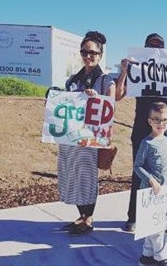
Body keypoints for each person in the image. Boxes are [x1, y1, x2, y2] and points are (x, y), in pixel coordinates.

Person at [115, 33, 167, 232]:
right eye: (150, 46)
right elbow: (117, 96)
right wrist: (124, 71)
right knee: (139, 171)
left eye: (159, 46)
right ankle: (134, 216)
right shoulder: (136, 67)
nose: (154, 49)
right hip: (142, 126)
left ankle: (166, 217)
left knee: (166, 173)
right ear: (144, 48)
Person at [57, 31, 116, 234]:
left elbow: (110, 105)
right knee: (72, 174)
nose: (88, 56)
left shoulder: (105, 80)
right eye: (84, 52)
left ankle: (88, 218)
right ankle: (81, 215)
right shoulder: (73, 79)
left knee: (87, 176)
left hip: (91, 136)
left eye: (92, 52)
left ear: (100, 55)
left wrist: (96, 97)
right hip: (72, 136)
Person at [134, 102, 167, 266]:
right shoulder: (147, 143)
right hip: (150, 192)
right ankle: (161, 258)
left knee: (152, 226)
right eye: (157, 120)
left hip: (164, 193)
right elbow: (137, 166)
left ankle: (147, 255)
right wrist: (150, 179)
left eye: (165, 120)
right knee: (157, 228)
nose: (161, 124)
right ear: (149, 121)